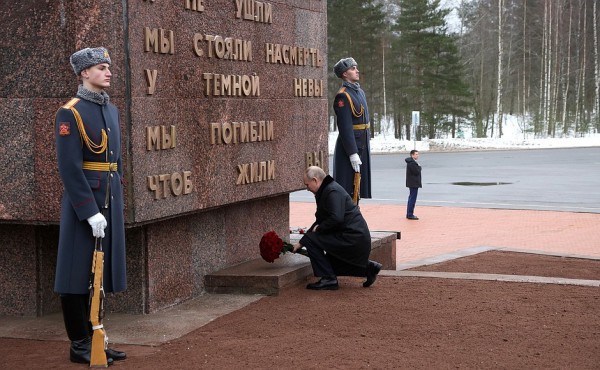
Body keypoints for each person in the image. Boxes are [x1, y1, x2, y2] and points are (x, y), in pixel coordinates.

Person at [54, 47, 127, 365]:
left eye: (109, 66)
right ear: (84, 73)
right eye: (100, 67)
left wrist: (116, 193)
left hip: (110, 200)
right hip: (84, 205)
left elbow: (116, 161)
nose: (108, 71)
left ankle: (97, 336)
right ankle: (79, 343)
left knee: (98, 274)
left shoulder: (111, 110)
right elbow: (69, 167)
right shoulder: (70, 112)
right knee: (75, 275)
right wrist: (88, 210)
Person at [292, 166, 382, 290]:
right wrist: (301, 242)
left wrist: (318, 230)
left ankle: (328, 279)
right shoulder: (328, 190)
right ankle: (368, 268)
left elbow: (336, 218)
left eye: (307, 185)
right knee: (317, 248)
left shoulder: (331, 191)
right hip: (353, 237)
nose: (307, 189)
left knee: (313, 241)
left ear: (315, 180)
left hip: (353, 239)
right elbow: (321, 220)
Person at [332, 57, 371, 200]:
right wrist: (352, 153)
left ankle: (353, 216)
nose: (357, 70)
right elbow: (345, 127)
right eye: (353, 68)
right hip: (350, 147)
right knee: (348, 188)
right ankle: (347, 219)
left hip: (362, 143)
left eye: (356, 67)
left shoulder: (359, 92)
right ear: (344, 74)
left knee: (358, 187)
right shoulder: (343, 95)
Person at [405, 150, 422, 220]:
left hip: (412, 183)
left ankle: (409, 213)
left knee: (411, 198)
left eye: (418, 154)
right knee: (412, 199)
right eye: (416, 154)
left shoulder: (411, 162)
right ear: (412, 155)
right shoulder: (412, 163)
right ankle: (410, 214)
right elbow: (416, 172)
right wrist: (419, 167)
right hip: (413, 183)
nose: (417, 155)